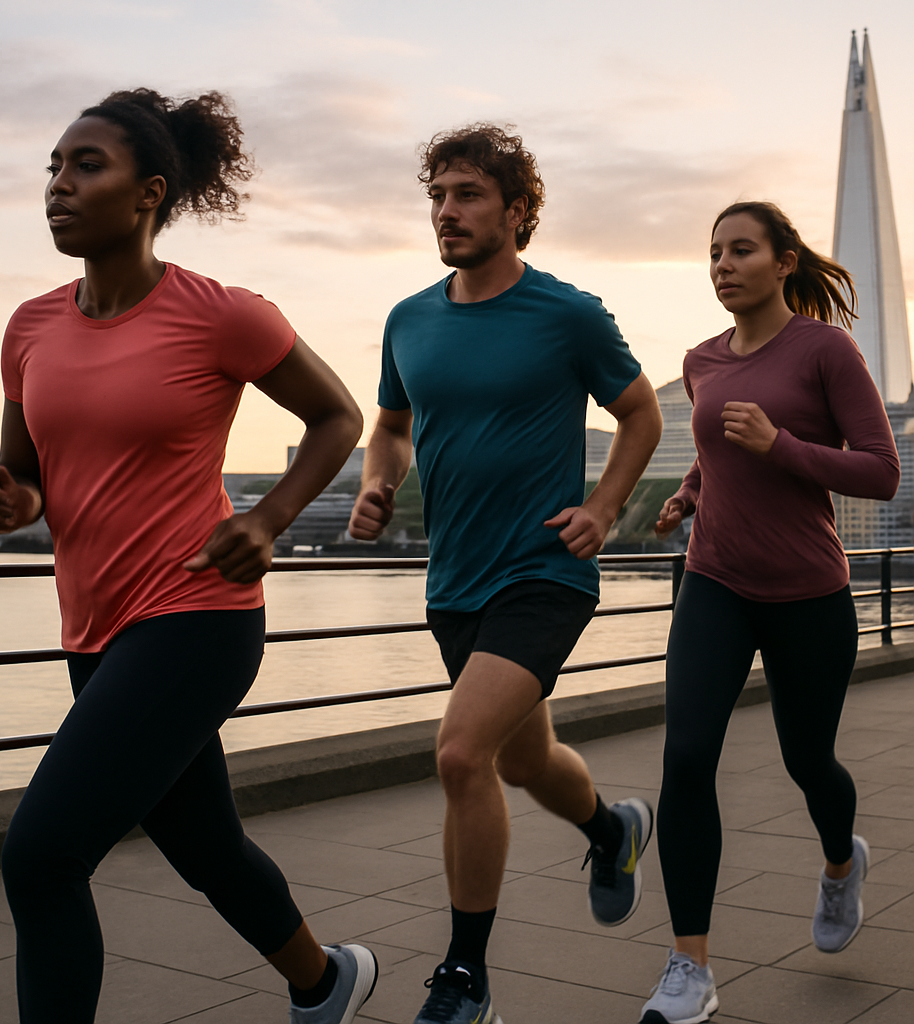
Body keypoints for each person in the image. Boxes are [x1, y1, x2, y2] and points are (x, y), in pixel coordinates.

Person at [0, 88, 378, 1024]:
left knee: (42, 855)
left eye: (85, 167)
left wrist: (268, 518)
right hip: (94, 629)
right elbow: (22, 479)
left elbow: (336, 415)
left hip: (197, 619)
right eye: (53, 170)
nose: (58, 188)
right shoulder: (28, 328)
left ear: (148, 194)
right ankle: (325, 982)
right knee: (206, 844)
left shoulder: (221, 314)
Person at [348, 123, 663, 1024]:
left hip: (543, 573)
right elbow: (392, 426)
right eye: (438, 195)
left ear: (518, 212)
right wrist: (378, 482)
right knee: (524, 760)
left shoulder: (568, 313)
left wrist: (603, 509)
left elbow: (639, 414)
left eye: (469, 195)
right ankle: (614, 830)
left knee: (459, 753)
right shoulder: (409, 318)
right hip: (455, 583)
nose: (447, 212)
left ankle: (463, 977)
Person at [643, 201, 900, 1024]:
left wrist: (781, 447)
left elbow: (882, 471)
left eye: (741, 250)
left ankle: (838, 862)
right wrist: (687, 495)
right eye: (713, 252)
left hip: (808, 594)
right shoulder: (700, 361)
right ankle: (690, 965)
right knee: (685, 757)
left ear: (784, 262)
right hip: (714, 581)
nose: (722, 264)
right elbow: (720, 458)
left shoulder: (824, 350)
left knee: (808, 763)